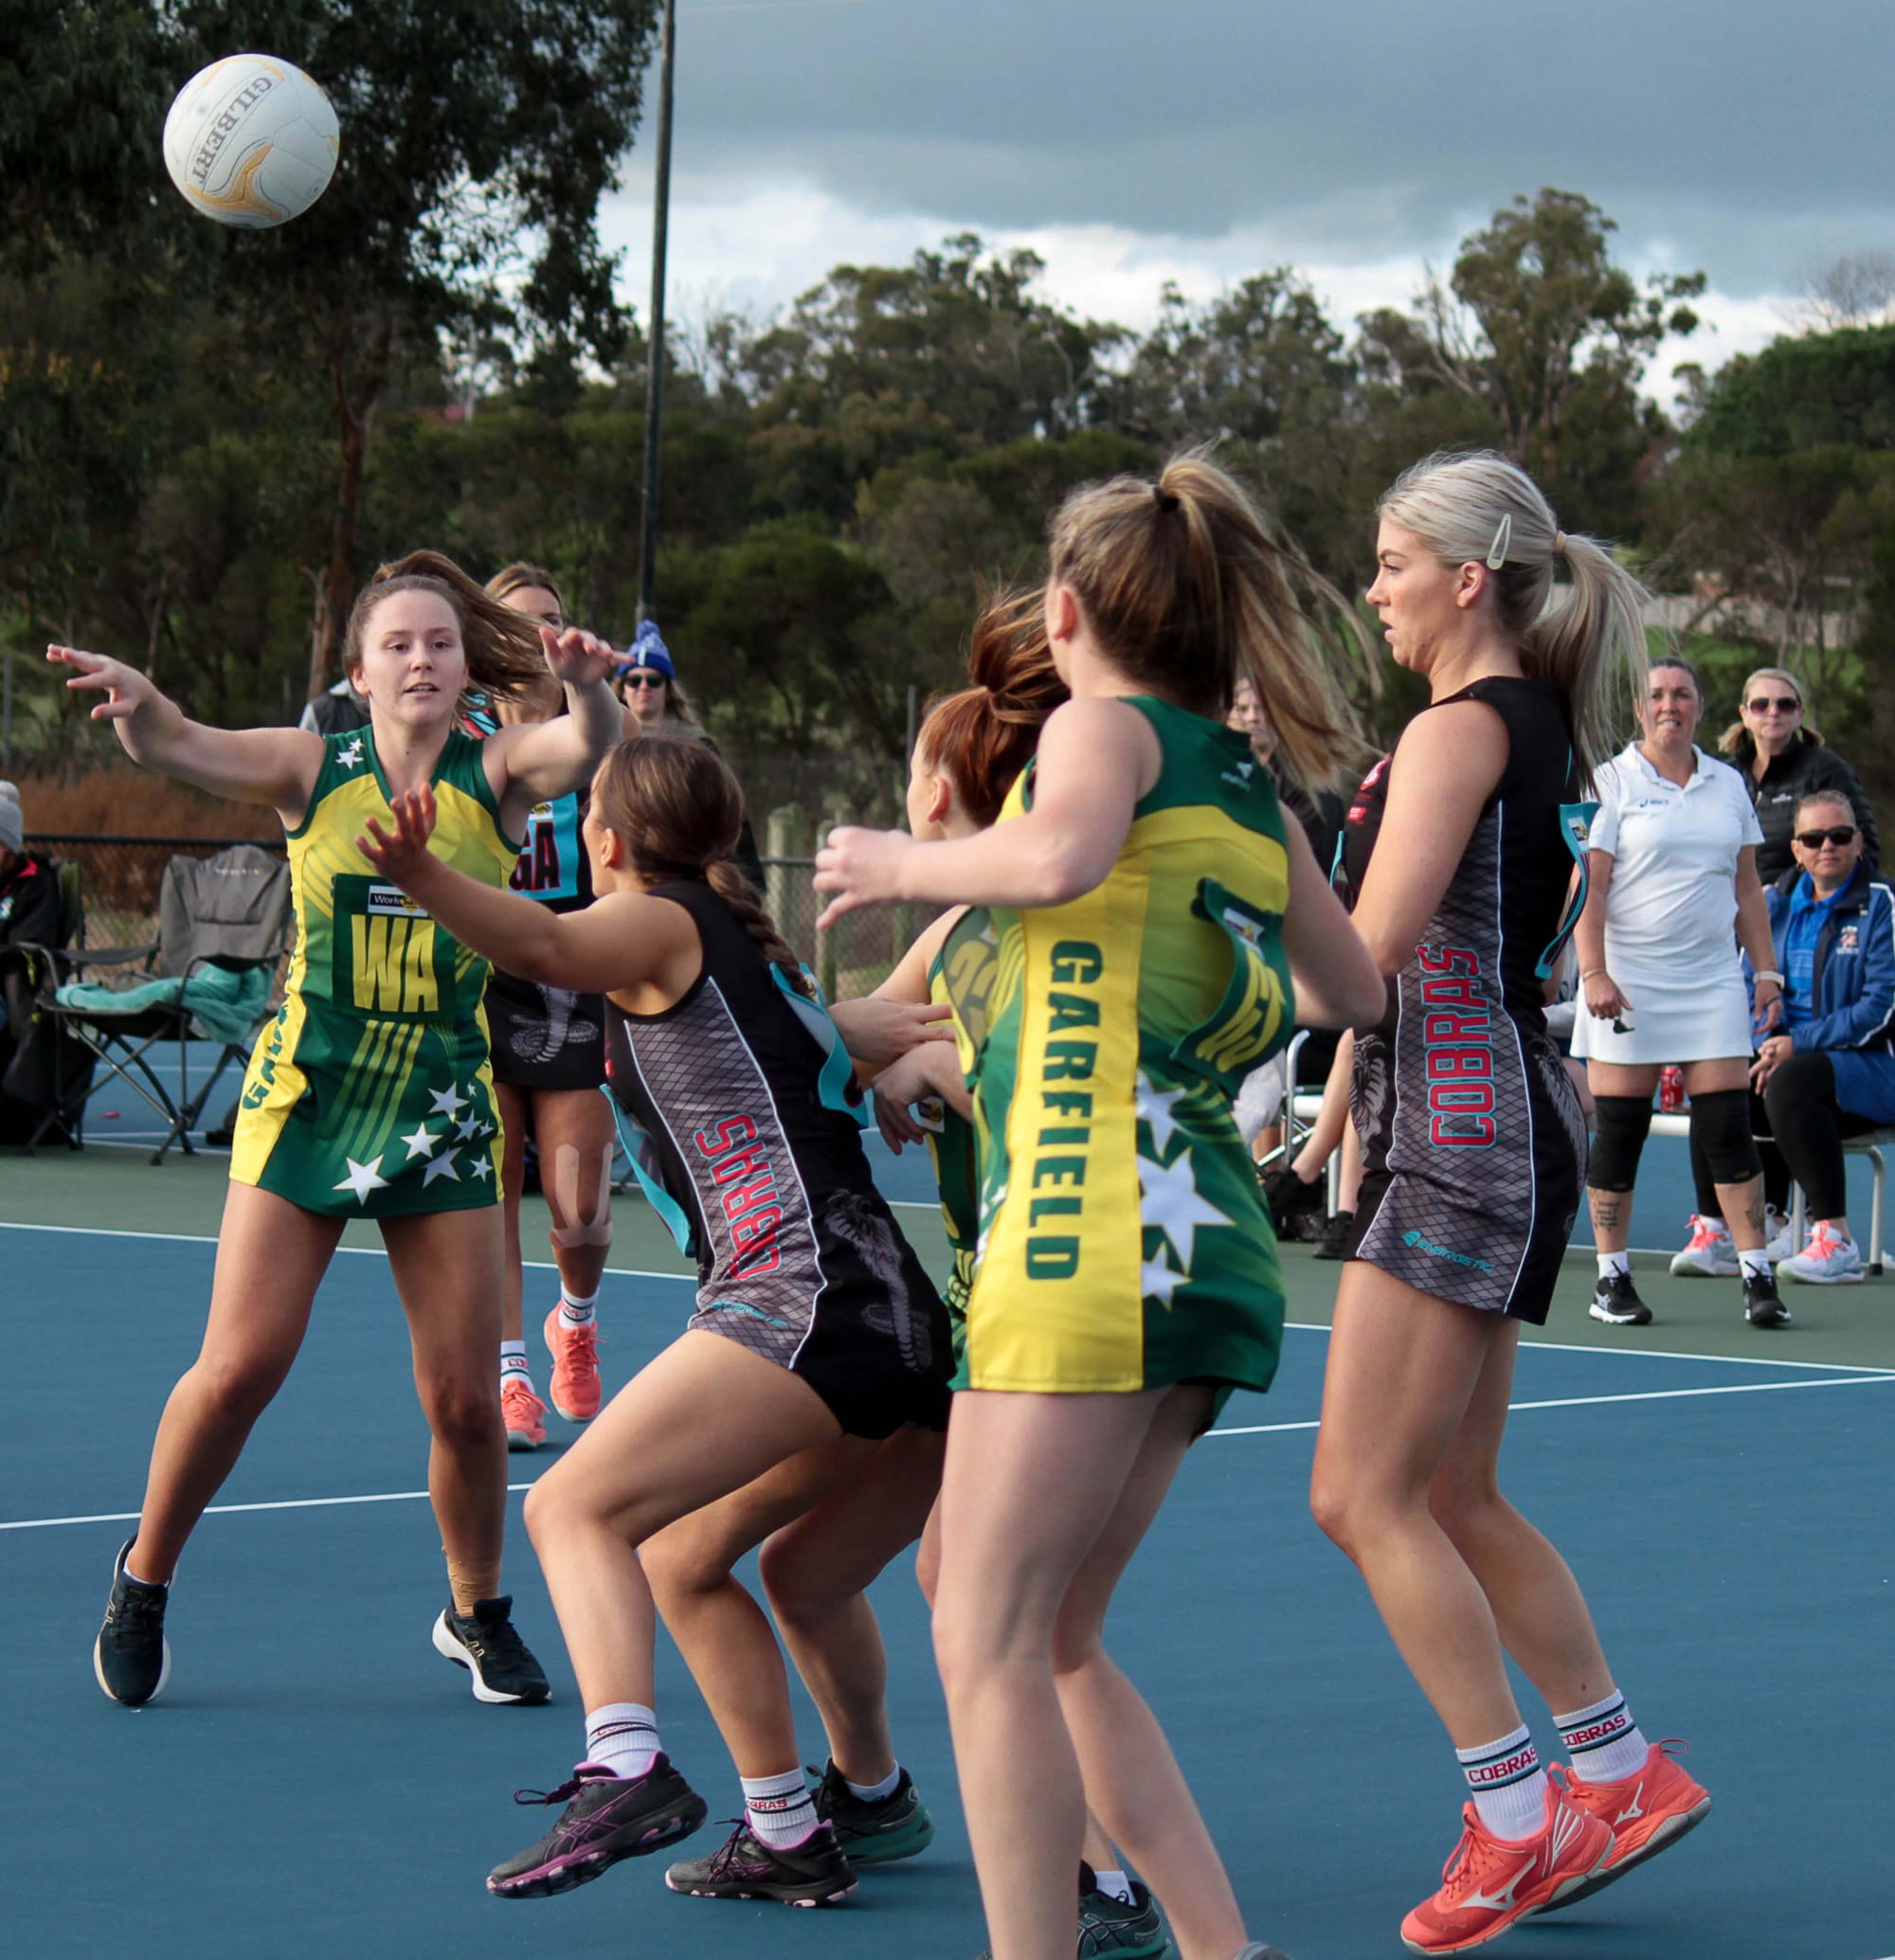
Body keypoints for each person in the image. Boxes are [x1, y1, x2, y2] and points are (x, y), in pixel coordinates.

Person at [815, 450, 1387, 1960]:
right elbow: (1357, 988)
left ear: (1066, 611)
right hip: (1206, 1243)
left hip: (1082, 1222)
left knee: (984, 1633)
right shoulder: (1242, 782)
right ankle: (1221, 1945)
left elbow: (1061, 849)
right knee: (1053, 1631)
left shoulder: (1102, 730)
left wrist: (903, 860)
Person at [355, 737, 952, 1910]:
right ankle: (801, 1824)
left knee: (575, 1504)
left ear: (611, 840)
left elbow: (545, 943)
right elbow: (846, 1035)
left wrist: (423, 874)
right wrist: (896, 1046)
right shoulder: (751, 962)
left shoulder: (663, 923)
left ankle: (623, 1763)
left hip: (803, 1297)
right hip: (886, 1320)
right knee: (684, 1559)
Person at [59, 550, 623, 1710]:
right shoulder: (311, 768)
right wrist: (142, 706)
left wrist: (592, 692)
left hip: (441, 1102)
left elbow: (585, 747)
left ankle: (475, 1611)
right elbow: (181, 744)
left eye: (440, 642)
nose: (421, 658)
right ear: (359, 671)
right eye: (398, 644)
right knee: (240, 1369)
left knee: (465, 1400)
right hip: (310, 1094)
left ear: (466, 666)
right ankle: (143, 1575)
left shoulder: (498, 770)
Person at [1309, 453, 1711, 1957]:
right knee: (1456, 1493)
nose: (1376, 590)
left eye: (1391, 560)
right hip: (1501, 1117)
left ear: (1467, 578)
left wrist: (1249, 895)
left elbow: (1363, 963)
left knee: (1359, 1494)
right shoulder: (1527, 722)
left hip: (1458, 1132)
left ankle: (1516, 1813)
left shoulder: (1457, 731)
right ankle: (1616, 1769)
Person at [1572, 654, 1791, 1329]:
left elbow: (1747, 886)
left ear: (1699, 705)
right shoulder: (1608, 781)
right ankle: (1612, 1280)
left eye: (1683, 695)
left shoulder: (1728, 784)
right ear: (1640, 708)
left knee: (1728, 1127)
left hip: (1711, 981)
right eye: (1658, 695)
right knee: (1621, 1133)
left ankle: (1758, 1277)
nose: (1671, 705)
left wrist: (1766, 972)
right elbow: (1590, 886)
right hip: (1628, 982)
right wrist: (1595, 973)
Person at [470, 564, 617, 1452]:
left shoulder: (594, 727)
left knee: (581, 1207)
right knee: (492, 1183)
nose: (539, 635)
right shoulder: (462, 734)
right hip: (485, 969)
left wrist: (589, 689)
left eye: (553, 620)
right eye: (519, 622)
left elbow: (629, 755)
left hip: (574, 963)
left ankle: (577, 1317)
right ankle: (511, 1370)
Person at [1736, 791, 1895, 1284]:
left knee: (1792, 1077)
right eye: (1814, 838)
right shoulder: (1772, 906)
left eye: (1840, 835)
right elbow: (1747, 990)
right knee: (1724, 1078)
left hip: (1874, 1070)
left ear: (1858, 842)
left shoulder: (1883, 905)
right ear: (1798, 850)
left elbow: (1881, 1007)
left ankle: (1835, 1235)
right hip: (1793, 1061)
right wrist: (1767, 1041)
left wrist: (1796, 1043)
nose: (1828, 846)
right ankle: (1752, 1225)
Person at [615, 619, 764, 890]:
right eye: (634, 679)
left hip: (688, 873)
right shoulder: (606, 743)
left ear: (667, 687)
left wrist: (748, 882)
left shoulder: (697, 745)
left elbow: (728, 812)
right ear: (622, 687)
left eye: (654, 679)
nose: (643, 687)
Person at [1717, 664, 1878, 885]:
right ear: (1744, 715)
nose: (1773, 712)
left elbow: (1864, 848)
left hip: (1804, 909)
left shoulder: (1826, 770)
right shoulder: (1725, 776)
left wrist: (1785, 895)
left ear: (1800, 714)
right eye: (1761, 705)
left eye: (1785, 705)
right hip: (1735, 908)